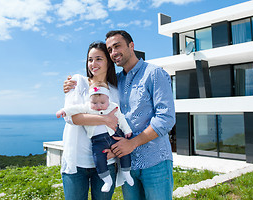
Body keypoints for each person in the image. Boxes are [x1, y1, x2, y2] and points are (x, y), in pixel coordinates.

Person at [64, 30, 176, 200]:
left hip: (154, 161)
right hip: (127, 164)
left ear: (131, 46)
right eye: (110, 50)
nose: (114, 52)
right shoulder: (116, 81)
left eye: (117, 46)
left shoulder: (154, 73)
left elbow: (165, 118)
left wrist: (132, 143)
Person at [60, 42, 121, 200]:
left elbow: (118, 125)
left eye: (99, 59)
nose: (93, 64)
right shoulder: (78, 82)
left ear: (108, 61)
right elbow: (71, 117)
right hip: (76, 163)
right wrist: (105, 119)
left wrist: (115, 151)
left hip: (106, 162)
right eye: (90, 59)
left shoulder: (115, 92)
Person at [56, 81, 134, 192]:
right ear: (90, 101)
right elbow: (75, 109)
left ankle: (126, 172)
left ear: (108, 99)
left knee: (124, 153)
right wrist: (63, 111)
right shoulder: (87, 107)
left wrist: (127, 130)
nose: (98, 106)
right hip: (98, 142)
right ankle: (107, 180)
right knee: (99, 160)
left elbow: (121, 119)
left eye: (102, 102)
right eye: (94, 103)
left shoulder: (113, 106)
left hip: (113, 137)